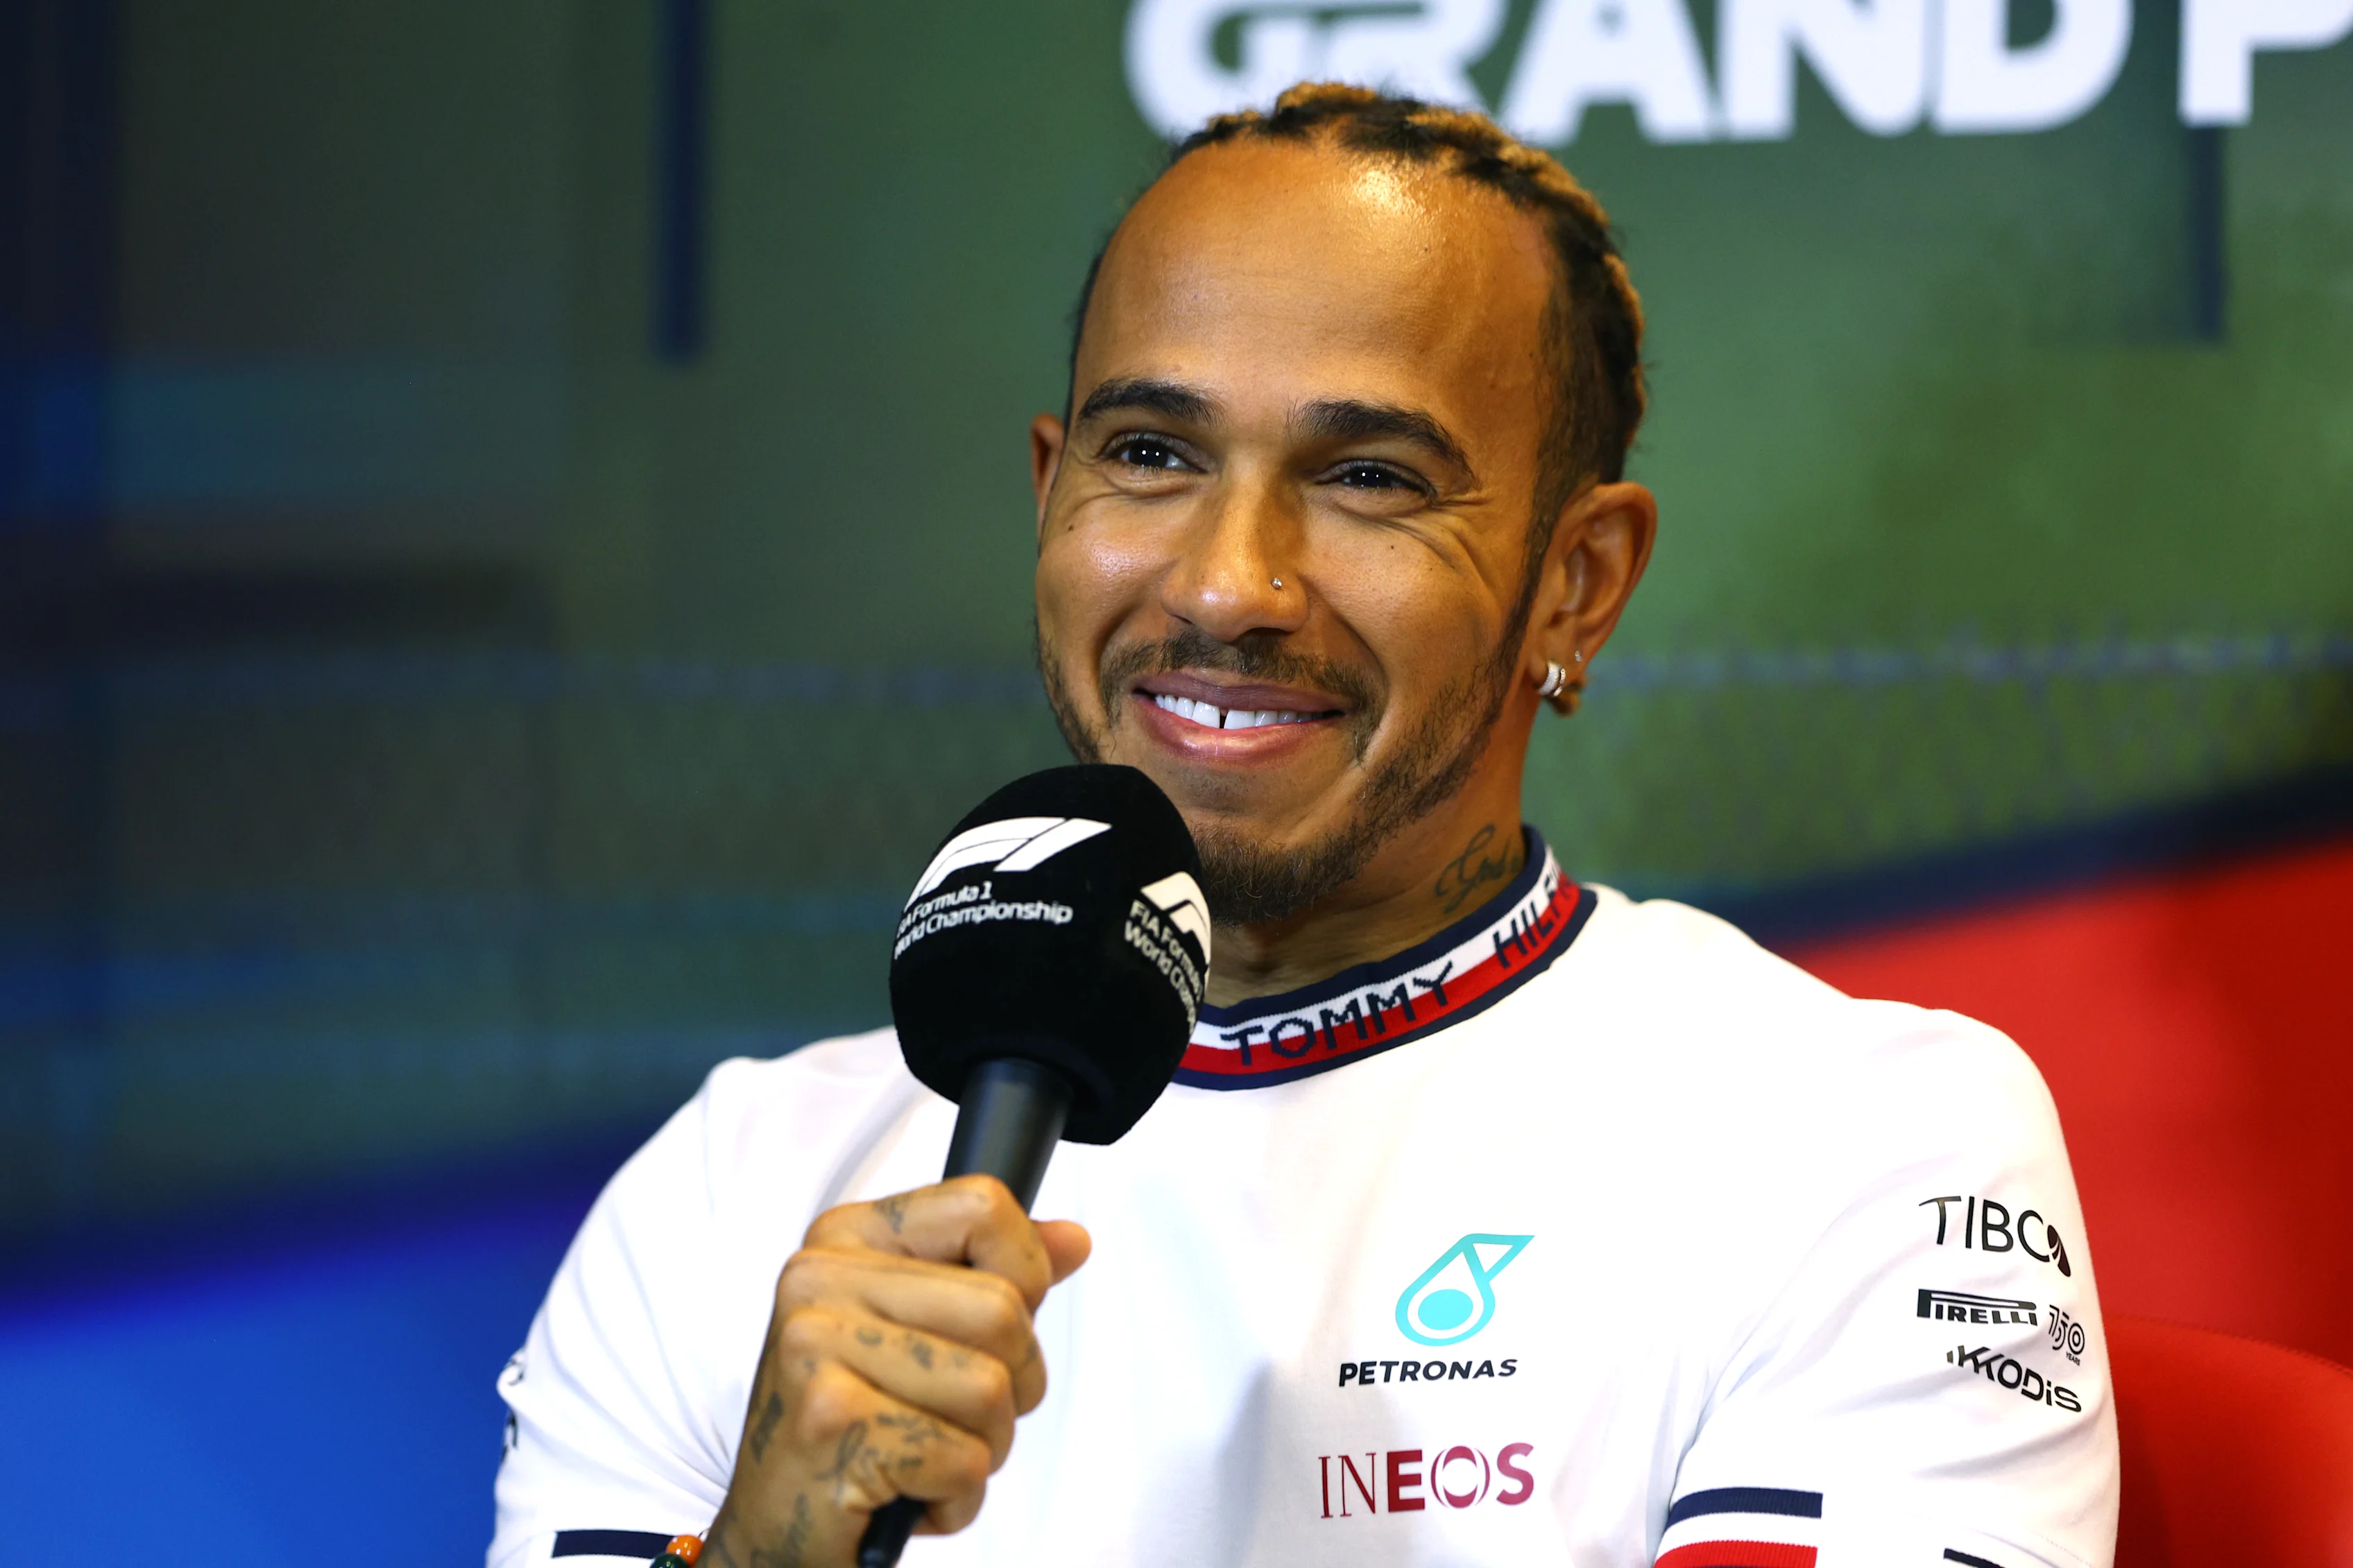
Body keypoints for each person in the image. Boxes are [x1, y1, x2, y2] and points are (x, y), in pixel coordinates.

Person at [490, 85, 2117, 1568]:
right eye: (1149, 453)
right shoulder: (733, 1189)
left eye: (1370, 479)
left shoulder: (1851, 1141)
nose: (1223, 582)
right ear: (1050, 494)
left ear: (1578, 582)